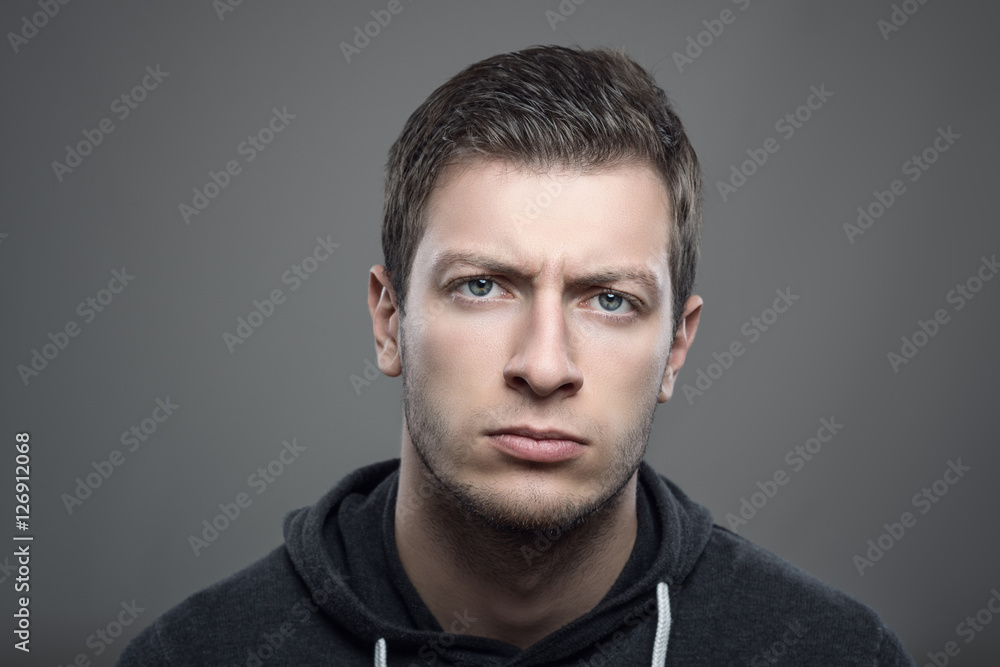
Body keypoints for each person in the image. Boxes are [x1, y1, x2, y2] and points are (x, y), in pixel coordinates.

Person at [117, 44, 915, 666]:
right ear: (389, 319)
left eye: (610, 300)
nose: (543, 365)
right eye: (483, 286)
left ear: (676, 348)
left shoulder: (835, 652)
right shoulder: (192, 655)